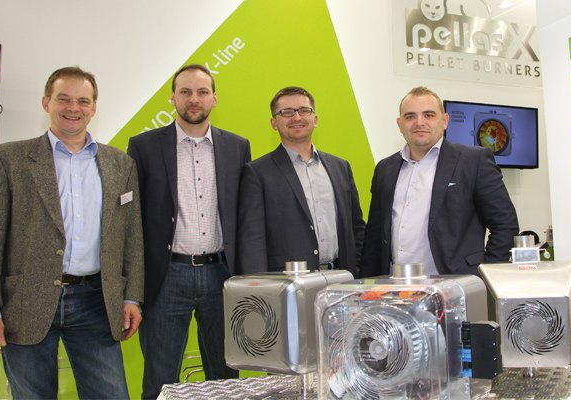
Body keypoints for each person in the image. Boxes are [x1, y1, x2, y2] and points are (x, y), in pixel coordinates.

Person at [0, 66, 144, 399]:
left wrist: (131, 297)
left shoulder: (120, 164)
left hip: (96, 301)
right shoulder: (8, 159)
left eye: (83, 101)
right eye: (63, 99)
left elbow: (131, 238)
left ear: (94, 108)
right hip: (26, 301)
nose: (73, 108)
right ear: (46, 102)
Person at [127, 64, 251, 399]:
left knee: (226, 379)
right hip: (166, 278)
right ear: (172, 98)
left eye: (201, 92)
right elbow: (132, 222)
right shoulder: (143, 146)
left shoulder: (237, 147)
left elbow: (244, 216)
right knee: (160, 380)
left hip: (221, 276)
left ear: (214, 99)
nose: (193, 99)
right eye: (185, 92)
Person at [360, 86, 518, 278]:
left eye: (429, 115)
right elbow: (374, 234)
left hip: (457, 285)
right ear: (400, 124)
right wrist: (368, 284)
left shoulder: (473, 161)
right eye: (410, 116)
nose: (419, 122)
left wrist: (484, 276)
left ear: (445, 121)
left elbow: (505, 225)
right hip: (395, 286)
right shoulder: (385, 169)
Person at [238, 86, 365, 275]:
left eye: (304, 110)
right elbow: (252, 238)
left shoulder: (340, 167)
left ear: (315, 119)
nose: (297, 118)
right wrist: (259, 284)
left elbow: (356, 227)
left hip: (341, 278)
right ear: (274, 123)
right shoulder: (257, 173)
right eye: (287, 112)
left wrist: (358, 270)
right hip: (288, 281)